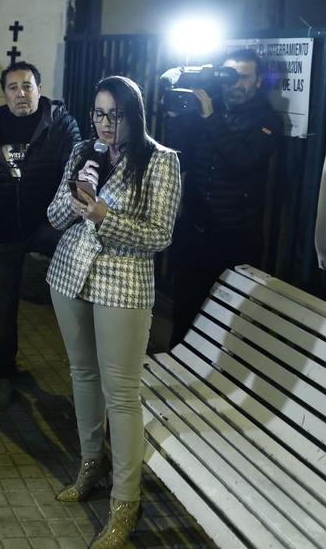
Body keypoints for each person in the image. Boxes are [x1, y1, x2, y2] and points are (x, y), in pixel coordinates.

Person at [45, 76, 181, 549]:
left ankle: (126, 503)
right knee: (82, 374)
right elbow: (55, 216)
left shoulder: (161, 161)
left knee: (120, 393)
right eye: (99, 114)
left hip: (123, 286)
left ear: (134, 114)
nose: (105, 124)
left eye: (115, 114)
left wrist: (105, 216)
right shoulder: (85, 150)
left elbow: (159, 235)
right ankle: (90, 467)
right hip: (69, 276)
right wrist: (77, 192)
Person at [0, 61, 81, 408]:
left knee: (77, 298)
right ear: (4, 93)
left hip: (48, 226)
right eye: (13, 87)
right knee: (2, 305)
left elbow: (74, 170)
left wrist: (61, 223)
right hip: (1, 230)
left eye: (27, 86)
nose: (21, 93)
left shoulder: (60, 124)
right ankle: (4, 373)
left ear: (39, 88)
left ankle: (84, 376)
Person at [166, 48, 280, 347]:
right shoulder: (208, 110)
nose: (235, 84)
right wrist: (177, 116)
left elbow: (242, 162)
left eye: (243, 77)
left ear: (258, 82)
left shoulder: (266, 120)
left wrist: (210, 118)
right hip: (194, 231)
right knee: (184, 313)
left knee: (224, 322)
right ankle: (177, 370)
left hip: (234, 237)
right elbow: (178, 155)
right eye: (229, 76)